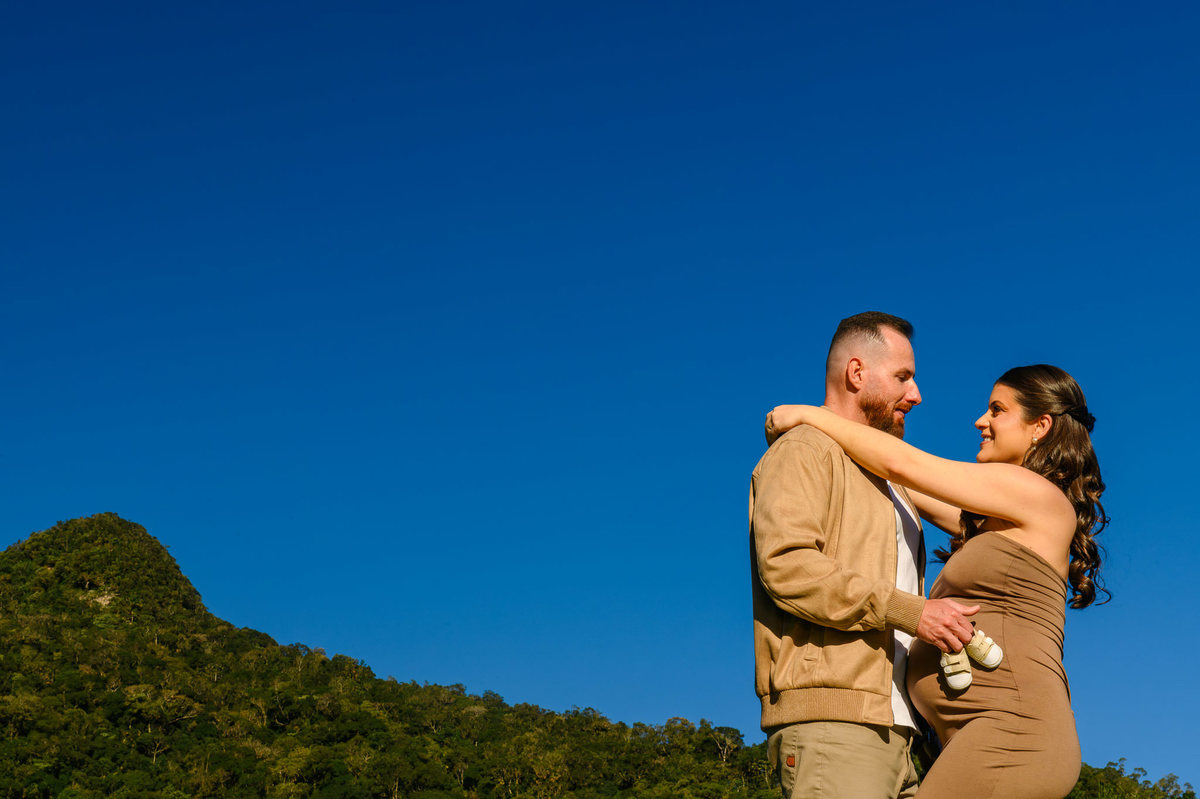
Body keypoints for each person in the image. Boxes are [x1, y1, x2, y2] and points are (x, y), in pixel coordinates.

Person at [765, 363, 1106, 799]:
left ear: (1040, 426)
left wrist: (810, 416)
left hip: (1012, 732)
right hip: (985, 734)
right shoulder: (995, 520)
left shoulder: (1035, 494)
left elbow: (901, 464)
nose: (981, 421)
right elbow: (901, 483)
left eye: (997, 410)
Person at [749, 312, 980, 799]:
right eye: (903, 377)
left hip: (902, 734)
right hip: (835, 728)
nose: (916, 394)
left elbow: (974, 519)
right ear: (856, 373)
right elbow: (788, 567)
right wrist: (915, 612)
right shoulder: (804, 450)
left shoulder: (892, 481)